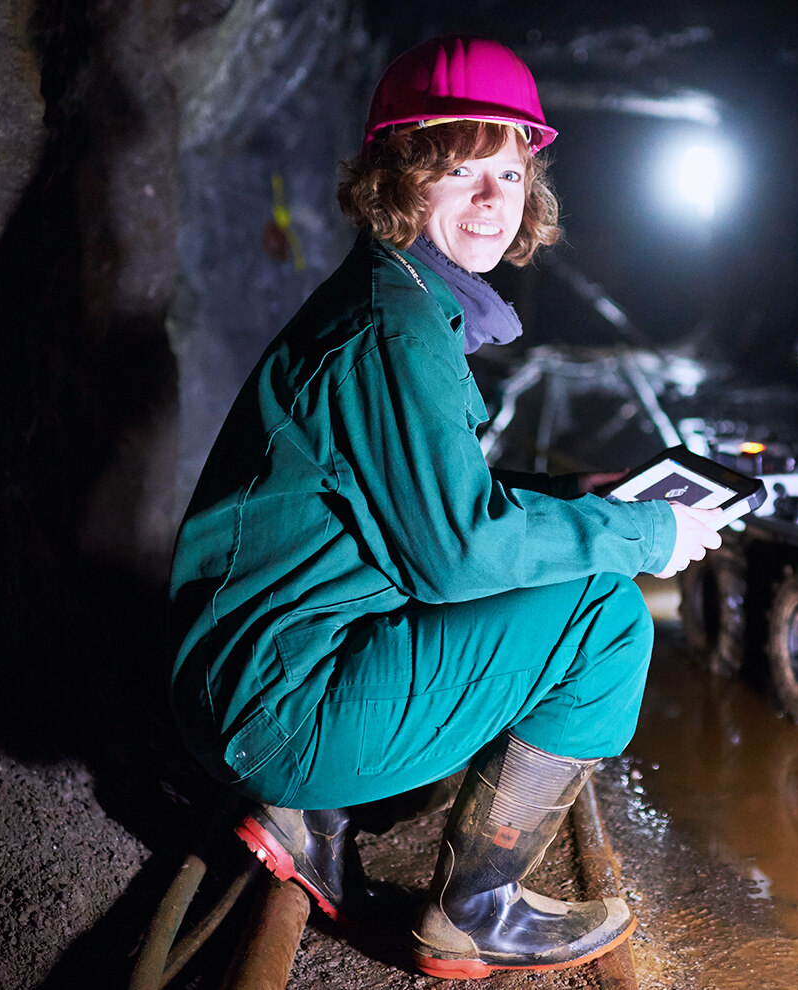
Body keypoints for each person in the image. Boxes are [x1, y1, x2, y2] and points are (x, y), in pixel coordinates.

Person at [168, 35, 722, 979]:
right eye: (455, 170)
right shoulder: (396, 329)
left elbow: (418, 506)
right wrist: (645, 531)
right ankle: (476, 910)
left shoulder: (400, 301)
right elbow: (456, 554)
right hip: (279, 705)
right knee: (604, 614)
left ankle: (320, 813)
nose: (490, 199)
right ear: (397, 179)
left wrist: (565, 497)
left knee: (554, 561)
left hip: (260, 677)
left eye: (508, 173)